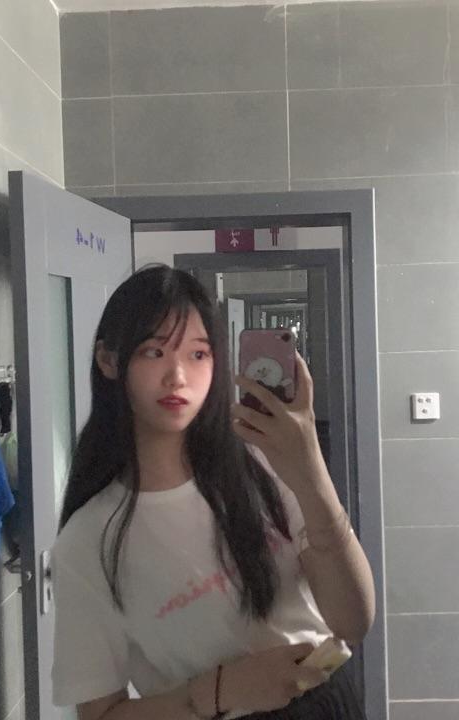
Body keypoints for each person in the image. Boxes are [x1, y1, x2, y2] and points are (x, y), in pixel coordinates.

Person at [51, 265, 375, 720]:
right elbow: (99, 715)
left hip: (328, 702)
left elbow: (353, 622)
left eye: (198, 354)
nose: (178, 376)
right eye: (154, 351)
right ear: (108, 360)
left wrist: (311, 473)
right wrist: (221, 692)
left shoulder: (264, 465)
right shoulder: (89, 539)